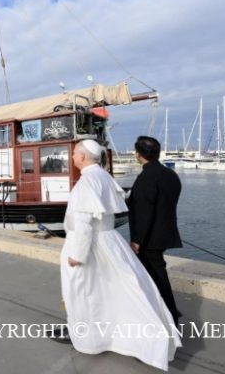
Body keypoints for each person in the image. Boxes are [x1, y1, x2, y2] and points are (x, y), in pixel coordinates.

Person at [56, 139, 180, 371]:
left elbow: (83, 222)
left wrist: (77, 255)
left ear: (82, 157)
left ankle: (89, 339)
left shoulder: (86, 182)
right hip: (109, 242)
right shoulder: (104, 176)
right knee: (114, 292)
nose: (71, 157)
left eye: (74, 154)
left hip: (90, 246)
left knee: (86, 292)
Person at [127, 135, 184, 326]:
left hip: (149, 238)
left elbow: (145, 212)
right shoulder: (170, 174)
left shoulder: (146, 177)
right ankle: (167, 313)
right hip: (165, 232)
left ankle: (169, 317)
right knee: (158, 276)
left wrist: (137, 240)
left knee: (156, 279)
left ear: (138, 154)